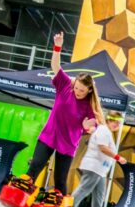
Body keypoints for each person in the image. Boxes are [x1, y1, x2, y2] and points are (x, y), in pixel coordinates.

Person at [16, 31, 104, 198]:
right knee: (34, 166)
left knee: (60, 180)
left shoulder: (89, 106)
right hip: (49, 135)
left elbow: (93, 127)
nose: (78, 92)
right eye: (77, 88)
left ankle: (59, 206)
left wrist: (87, 127)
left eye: (82, 90)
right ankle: (21, 198)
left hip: (68, 143)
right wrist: (57, 47)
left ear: (89, 90)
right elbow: (56, 67)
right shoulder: (65, 86)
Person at [70, 111, 127, 207]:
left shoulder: (106, 131)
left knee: (99, 192)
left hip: (100, 169)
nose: (117, 125)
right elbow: (103, 148)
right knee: (84, 189)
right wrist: (118, 157)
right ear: (108, 120)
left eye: (119, 123)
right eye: (114, 122)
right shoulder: (103, 130)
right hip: (94, 167)